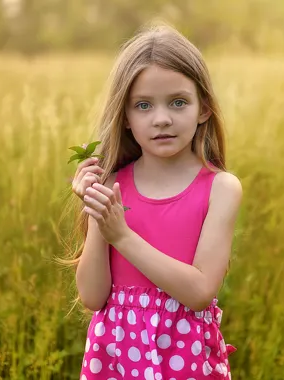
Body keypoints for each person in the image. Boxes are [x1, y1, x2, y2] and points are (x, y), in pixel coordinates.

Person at [66, 22, 243, 379]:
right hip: (114, 360)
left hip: (183, 360)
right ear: (126, 118)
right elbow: (92, 296)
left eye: (178, 102)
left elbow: (198, 292)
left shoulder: (220, 188)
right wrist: (98, 208)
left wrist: (122, 236)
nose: (162, 119)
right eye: (143, 105)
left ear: (204, 108)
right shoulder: (114, 183)